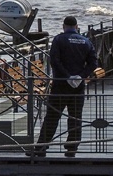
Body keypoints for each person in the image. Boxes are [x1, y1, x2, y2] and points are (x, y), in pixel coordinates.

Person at [34, 15, 100, 157]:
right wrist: (81, 76)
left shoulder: (59, 39)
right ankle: (72, 148)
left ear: (64, 26)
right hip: (78, 86)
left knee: (52, 116)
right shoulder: (86, 41)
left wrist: (67, 76)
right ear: (77, 27)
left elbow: (54, 61)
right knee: (75, 117)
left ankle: (41, 147)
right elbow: (94, 63)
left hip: (60, 85)